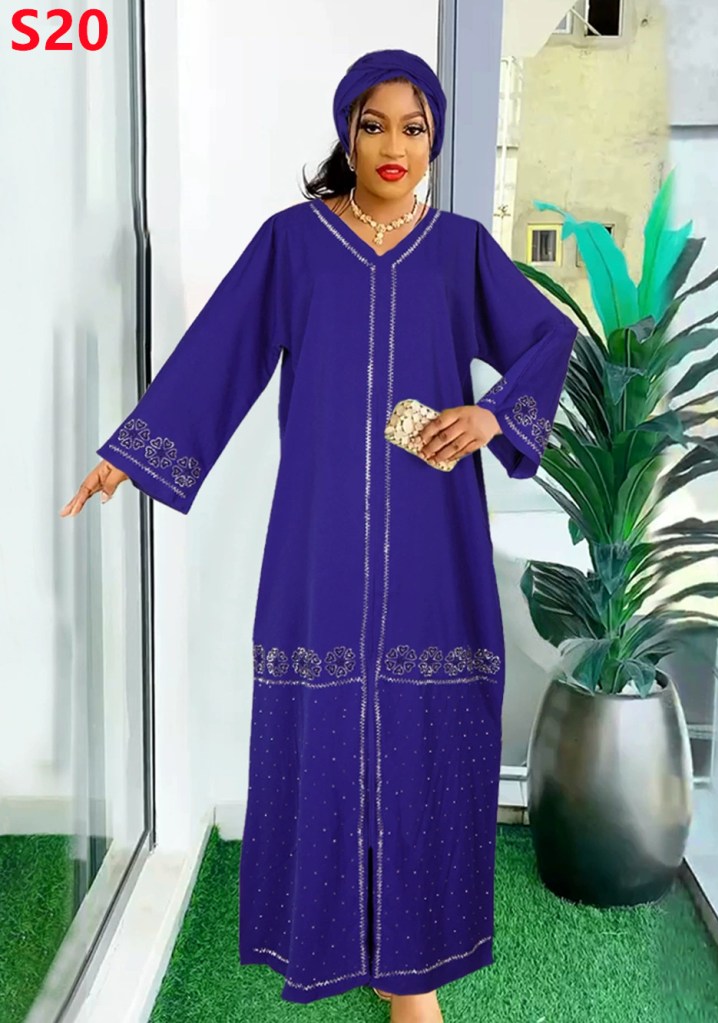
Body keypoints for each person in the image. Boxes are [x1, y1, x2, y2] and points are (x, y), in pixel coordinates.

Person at [60, 48, 577, 1022]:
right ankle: (343, 943)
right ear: (347, 132)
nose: (394, 146)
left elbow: (549, 338)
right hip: (321, 536)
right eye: (374, 125)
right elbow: (219, 353)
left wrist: (493, 415)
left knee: (422, 736)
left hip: (434, 543)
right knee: (330, 733)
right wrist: (134, 452)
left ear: (435, 138)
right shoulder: (293, 244)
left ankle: (412, 975)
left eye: (414, 127)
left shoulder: (462, 250)